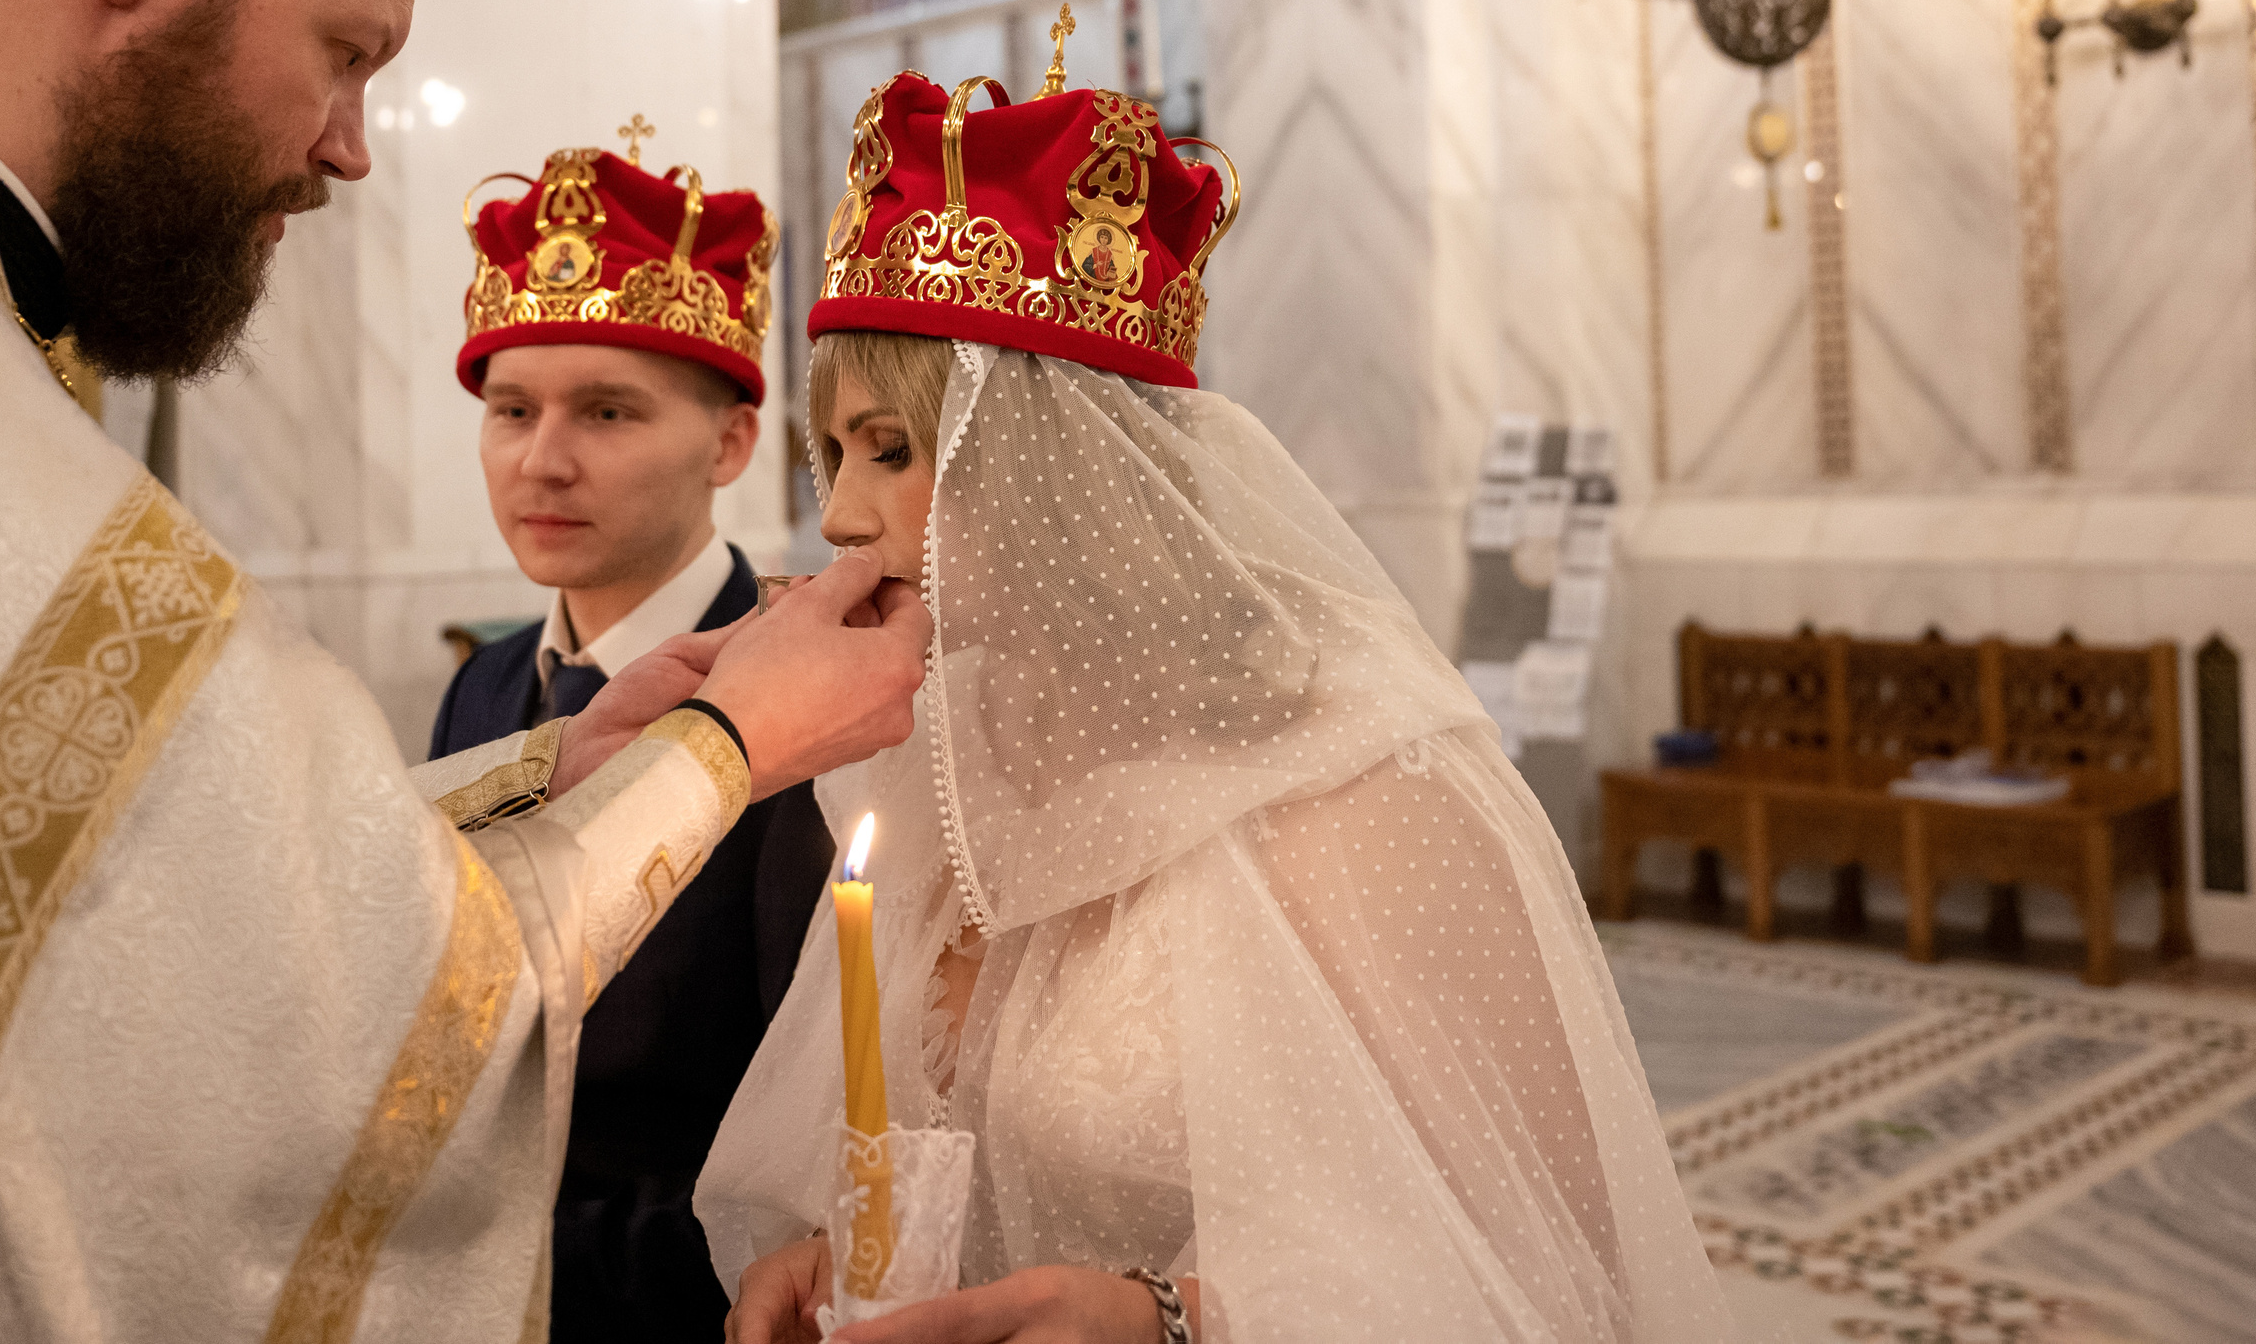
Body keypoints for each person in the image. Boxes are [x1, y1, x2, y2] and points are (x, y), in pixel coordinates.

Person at [0, 0, 926, 1343]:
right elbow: (338, 1030)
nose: (353, 148)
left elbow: (92, 896)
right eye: (346, 49)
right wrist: (723, 746)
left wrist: (543, 774)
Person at [697, 74, 1730, 1341]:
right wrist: (850, 1250)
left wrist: (1172, 1321)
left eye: (895, 448)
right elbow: (932, 1139)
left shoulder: (1362, 784)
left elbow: (1554, 1259)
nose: (843, 513)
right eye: (836, 453)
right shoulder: (936, 759)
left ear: (1054, 453)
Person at [431, 141, 836, 1340]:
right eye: (512, 410)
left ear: (728, 444)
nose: (541, 460)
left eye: (606, 410)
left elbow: (807, 1127)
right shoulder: (488, 684)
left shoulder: (801, 692)